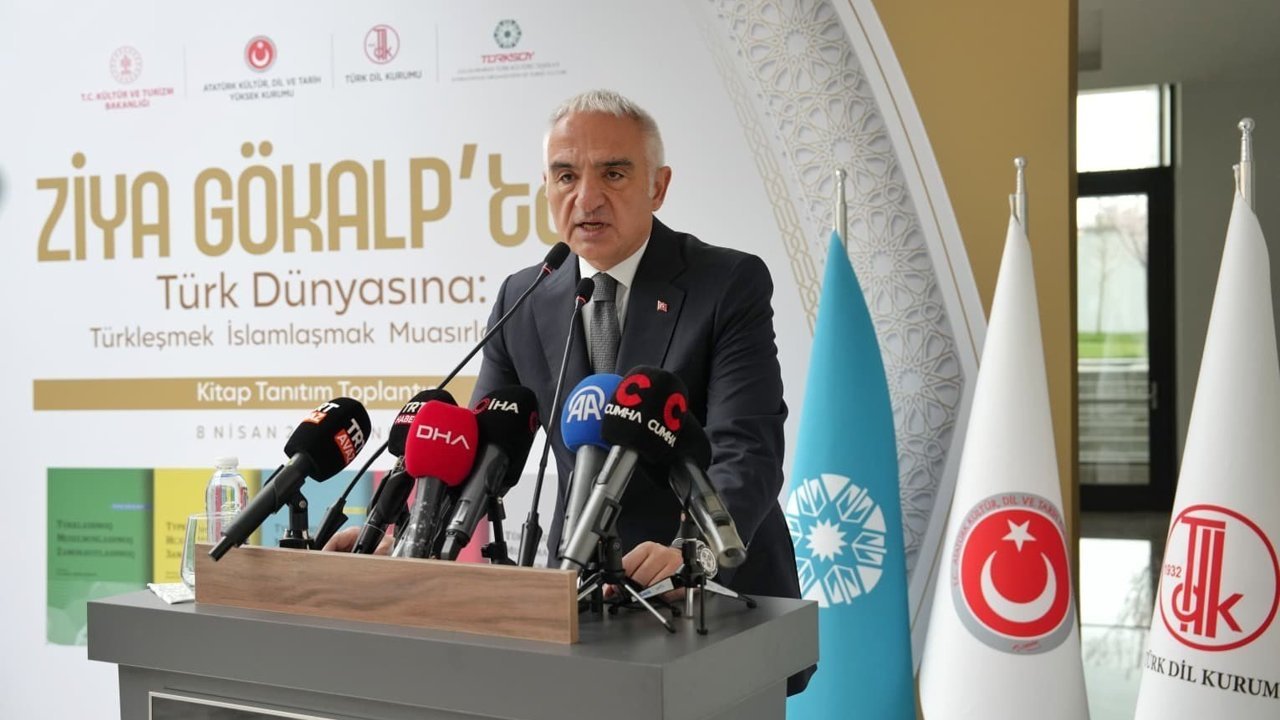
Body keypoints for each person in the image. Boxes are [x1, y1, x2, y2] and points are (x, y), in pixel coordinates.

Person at [473, 90, 810, 694]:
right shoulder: (524, 297)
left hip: (709, 595)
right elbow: (483, 451)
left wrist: (692, 549)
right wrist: (405, 534)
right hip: (578, 597)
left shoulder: (726, 283)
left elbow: (747, 448)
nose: (586, 198)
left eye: (613, 173)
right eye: (566, 176)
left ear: (658, 186)